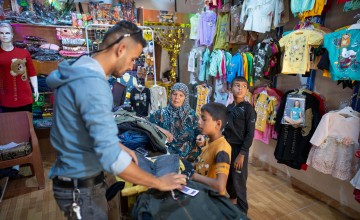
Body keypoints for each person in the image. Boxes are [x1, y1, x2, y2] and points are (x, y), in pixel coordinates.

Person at [46, 21, 186, 220]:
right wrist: (159, 182)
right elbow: (110, 157)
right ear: (121, 49)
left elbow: (84, 130)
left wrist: (121, 147)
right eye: (132, 59)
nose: (132, 66)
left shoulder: (79, 67)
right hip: (81, 186)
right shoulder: (93, 84)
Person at [223, 76, 256, 215]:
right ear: (231, 88)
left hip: (240, 150)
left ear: (247, 90)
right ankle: (232, 202)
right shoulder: (229, 108)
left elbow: (250, 134)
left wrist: (242, 154)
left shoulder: (249, 110)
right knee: (228, 178)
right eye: (237, 85)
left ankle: (242, 212)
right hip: (227, 147)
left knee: (239, 181)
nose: (240, 88)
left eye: (243, 86)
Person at [149, 82, 201, 162]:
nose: (177, 98)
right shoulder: (160, 114)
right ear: (170, 95)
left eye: (181, 95)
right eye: (174, 94)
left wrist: (201, 138)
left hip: (188, 160)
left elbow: (200, 132)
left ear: (185, 98)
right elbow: (148, 127)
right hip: (165, 158)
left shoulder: (191, 115)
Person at [192, 102, 231, 195]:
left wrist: (194, 176)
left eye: (204, 119)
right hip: (202, 194)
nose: (199, 121)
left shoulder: (222, 149)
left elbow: (220, 186)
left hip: (211, 201)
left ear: (218, 124)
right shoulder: (209, 142)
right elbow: (204, 164)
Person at [0, 22, 39, 113]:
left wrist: (36, 88)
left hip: (25, 97)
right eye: (1, 33)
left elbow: (32, 72)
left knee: (26, 125)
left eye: (7, 33)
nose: (4, 35)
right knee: (8, 125)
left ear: (12, 35)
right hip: (5, 98)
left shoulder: (23, 53)